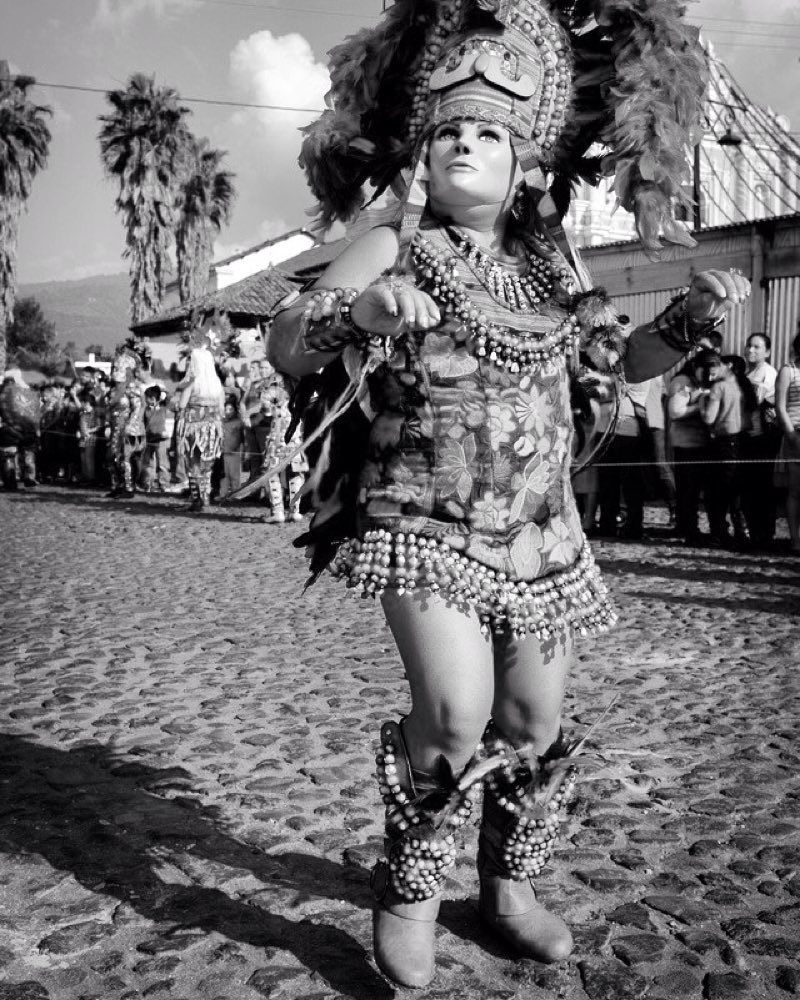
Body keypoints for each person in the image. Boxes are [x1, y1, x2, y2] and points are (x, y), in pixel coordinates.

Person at [266, 0, 749, 988]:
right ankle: (407, 891)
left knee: (529, 722)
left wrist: (691, 319)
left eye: (487, 130)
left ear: (521, 157)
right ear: (419, 151)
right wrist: (355, 309)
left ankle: (503, 887)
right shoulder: (390, 240)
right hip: (424, 518)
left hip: (540, 534)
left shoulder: (549, 263)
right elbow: (284, 334)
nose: (465, 143)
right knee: (453, 712)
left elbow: (618, 365)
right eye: (447, 129)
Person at [698, 353, 752, 548]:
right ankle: (742, 531)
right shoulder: (742, 385)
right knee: (737, 489)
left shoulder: (719, 387)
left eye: (713, 367)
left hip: (723, 441)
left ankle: (719, 533)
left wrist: (701, 401)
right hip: (743, 440)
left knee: (717, 491)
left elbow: (709, 418)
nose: (710, 371)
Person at [174, 325, 225, 511]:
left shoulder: (192, 382)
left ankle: (197, 500)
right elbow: (221, 408)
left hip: (193, 426)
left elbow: (181, 405)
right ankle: (205, 498)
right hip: (212, 427)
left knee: (193, 462)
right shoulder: (216, 384)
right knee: (207, 465)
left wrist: (179, 406)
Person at [667, 355, 712, 545]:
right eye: (705, 369)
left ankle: (689, 527)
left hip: (700, 442)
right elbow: (675, 411)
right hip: (686, 443)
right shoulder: (682, 382)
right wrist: (700, 405)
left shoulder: (698, 382)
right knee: (688, 490)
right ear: (695, 366)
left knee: (693, 490)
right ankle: (689, 529)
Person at [742, 332, 779, 547]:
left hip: (763, 438)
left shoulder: (767, 373)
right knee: (750, 486)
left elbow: (755, 402)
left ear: (767, 352)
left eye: (757, 347)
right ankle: (755, 530)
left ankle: (764, 533)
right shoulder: (749, 373)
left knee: (761, 485)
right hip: (749, 436)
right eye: (749, 346)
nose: (751, 350)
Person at [774, 330, 800, 554]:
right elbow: (780, 407)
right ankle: (795, 540)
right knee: (795, 491)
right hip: (796, 434)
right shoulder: (788, 370)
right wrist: (792, 436)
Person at [0, 368, 40, 489]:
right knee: (28, 454)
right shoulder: (30, 393)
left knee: (9, 455)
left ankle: (10, 482)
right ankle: (30, 478)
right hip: (29, 428)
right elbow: (35, 411)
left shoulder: (3, 393)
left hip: (10, 429)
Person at [142, 386, 171, 493]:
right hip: (149, 439)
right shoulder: (146, 410)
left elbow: (169, 398)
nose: (145, 400)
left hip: (161, 439)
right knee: (149, 463)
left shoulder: (163, 408)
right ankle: (148, 483)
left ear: (153, 398)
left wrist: (164, 390)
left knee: (162, 463)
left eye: (147, 398)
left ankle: (164, 484)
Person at [219, 395, 245, 500]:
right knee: (224, 475)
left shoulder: (239, 422)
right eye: (226, 409)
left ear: (235, 410)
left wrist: (243, 451)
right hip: (224, 452)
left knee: (235, 475)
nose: (228, 411)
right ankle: (223, 494)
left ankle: (235, 493)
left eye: (230, 409)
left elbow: (243, 438)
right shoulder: (222, 422)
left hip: (235, 453)